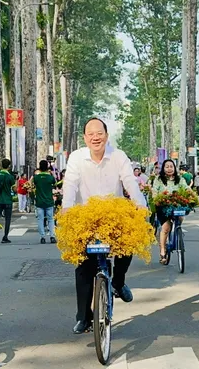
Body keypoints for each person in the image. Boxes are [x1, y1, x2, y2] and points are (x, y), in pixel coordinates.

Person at [62, 117, 146, 334]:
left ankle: (118, 282)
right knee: (84, 267)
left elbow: (129, 181)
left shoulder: (118, 156)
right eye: (91, 134)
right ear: (85, 138)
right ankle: (83, 317)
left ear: (106, 136)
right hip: (85, 219)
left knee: (128, 245)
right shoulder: (77, 158)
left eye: (99, 133)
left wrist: (140, 205)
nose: (95, 138)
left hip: (114, 216)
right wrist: (66, 208)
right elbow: (70, 184)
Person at [152, 159, 190, 265]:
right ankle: (163, 251)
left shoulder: (180, 179)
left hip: (177, 205)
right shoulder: (159, 179)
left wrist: (191, 196)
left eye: (171, 166)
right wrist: (157, 198)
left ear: (174, 168)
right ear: (163, 168)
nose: (169, 169)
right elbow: (154, 191)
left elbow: (186, 188)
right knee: (166, 228)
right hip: (163, 206)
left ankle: (178, 231)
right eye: (167, 166)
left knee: (181, 217)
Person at [32, 159, 57, 244]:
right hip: (49, 201)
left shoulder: (36, 178)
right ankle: (52, 236)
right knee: (50, 219)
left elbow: (32, 184)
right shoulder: (50, 177)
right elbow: (55, 184)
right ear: (47, 167)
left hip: (39, 202)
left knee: (40, 219)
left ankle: (42, 237)